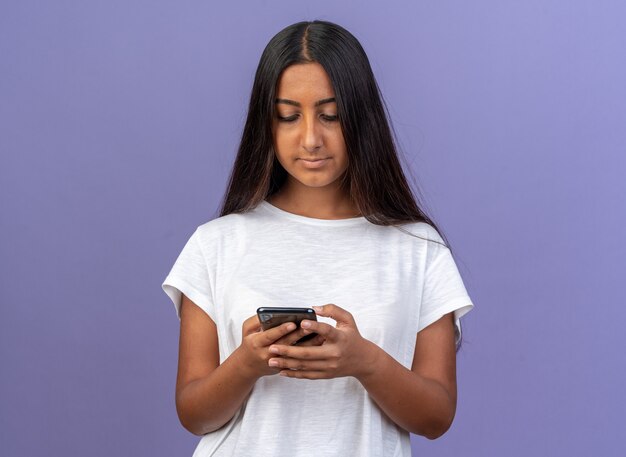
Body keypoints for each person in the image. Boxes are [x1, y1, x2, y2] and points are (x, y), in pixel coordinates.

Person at [161, 19, 474, 457]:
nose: (310, 138)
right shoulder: (215, 244)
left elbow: (436, 417)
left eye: (331, 116)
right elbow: (194, 413)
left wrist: (365, 361)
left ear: (362, 118)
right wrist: (247, 364)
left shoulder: (419, 250)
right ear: (265, 125)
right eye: (289, 116)